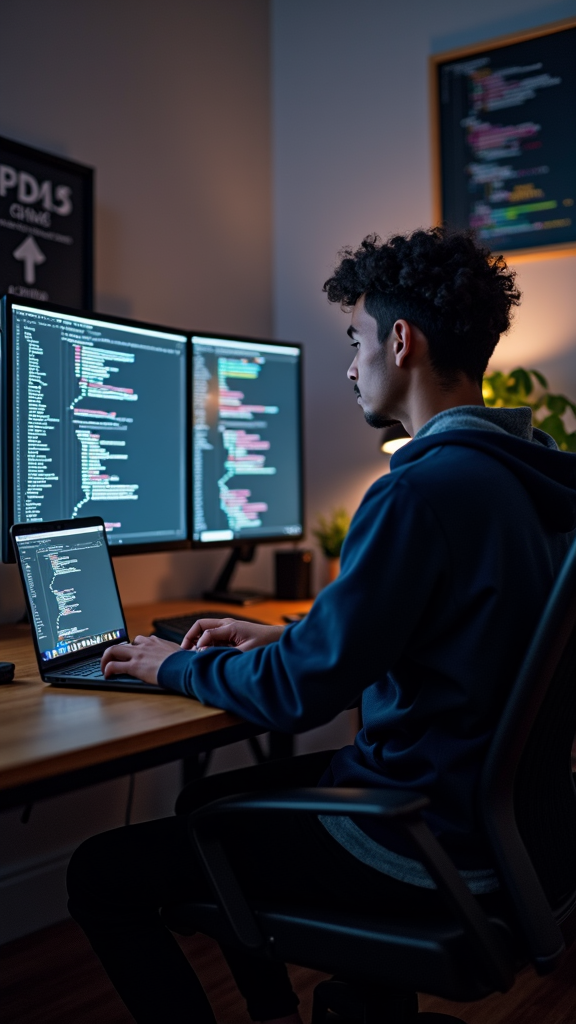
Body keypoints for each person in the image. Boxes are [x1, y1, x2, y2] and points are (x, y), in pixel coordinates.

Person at [67, 228, 576, 1024]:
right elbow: (459, 640)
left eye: (354, 340)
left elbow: (299, 696)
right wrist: (293, 635)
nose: (348, 365)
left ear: (399, 341)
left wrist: (169, 664)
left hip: (418, 840)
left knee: (101, 873)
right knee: (207, 804)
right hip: (507, 836)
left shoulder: (420, 491)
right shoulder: (528, 480)